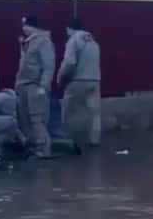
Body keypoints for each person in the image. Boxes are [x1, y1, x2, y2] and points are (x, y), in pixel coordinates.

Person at [57, 17, 101, 154]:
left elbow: (69, 62)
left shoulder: (73, 41)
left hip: (78, 80)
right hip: (94, 80)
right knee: (95, 113)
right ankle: (95, 141)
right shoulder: (93, 42)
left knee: (66, 110)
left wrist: (60, 77)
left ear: (70, 28)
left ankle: (65, 140)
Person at [15, 15, 56, 158]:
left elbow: (48, 66)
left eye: (26, 25)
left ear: (33, 26)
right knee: (25, 118)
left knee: (37, 118)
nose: (24, 28)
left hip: (35, 85)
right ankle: (33, 147)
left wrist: (43, 86)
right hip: (24, 85)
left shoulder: (43, 42)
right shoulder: (27, 43)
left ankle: (43, 149)